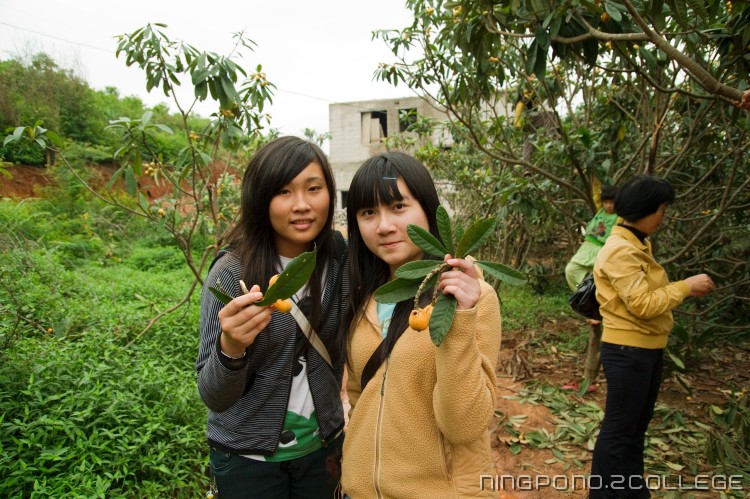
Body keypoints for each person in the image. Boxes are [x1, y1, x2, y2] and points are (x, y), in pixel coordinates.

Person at [339, 152, 502, 498]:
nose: (384, 226)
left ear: (428, 210)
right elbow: (359, 398)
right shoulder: (365, 297)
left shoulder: (475, 299)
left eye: (398, 207)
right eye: (368, 213)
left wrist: (460, 317)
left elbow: (464, 425)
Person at [196, 136, 349, 499]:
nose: (302, 204)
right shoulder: (232, 274)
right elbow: (213, 395)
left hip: (323, 451)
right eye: (283, 191)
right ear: (260, 198)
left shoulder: (339, 260)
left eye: (313, 188)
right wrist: (231, 347)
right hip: (247, 460)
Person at [589, 175, 715, 498]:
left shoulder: (637, 242)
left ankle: (632, 491)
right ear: (644, 209)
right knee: (619, 431)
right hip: (627, 351)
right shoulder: (620, 251)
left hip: (644, 349)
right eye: (661, 209)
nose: (663, 216)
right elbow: (643, 304)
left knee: (634, 429)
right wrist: (686, 287)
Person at [564, 184, 620, 392]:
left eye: (612, 202)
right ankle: (587, 303)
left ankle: (596, 310)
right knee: (571, 270)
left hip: (603, 249)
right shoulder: (600, 210)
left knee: (599, 280)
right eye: (606, 202)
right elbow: (596, 192)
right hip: (588, 246)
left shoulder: (620, 217)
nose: (608, 205)